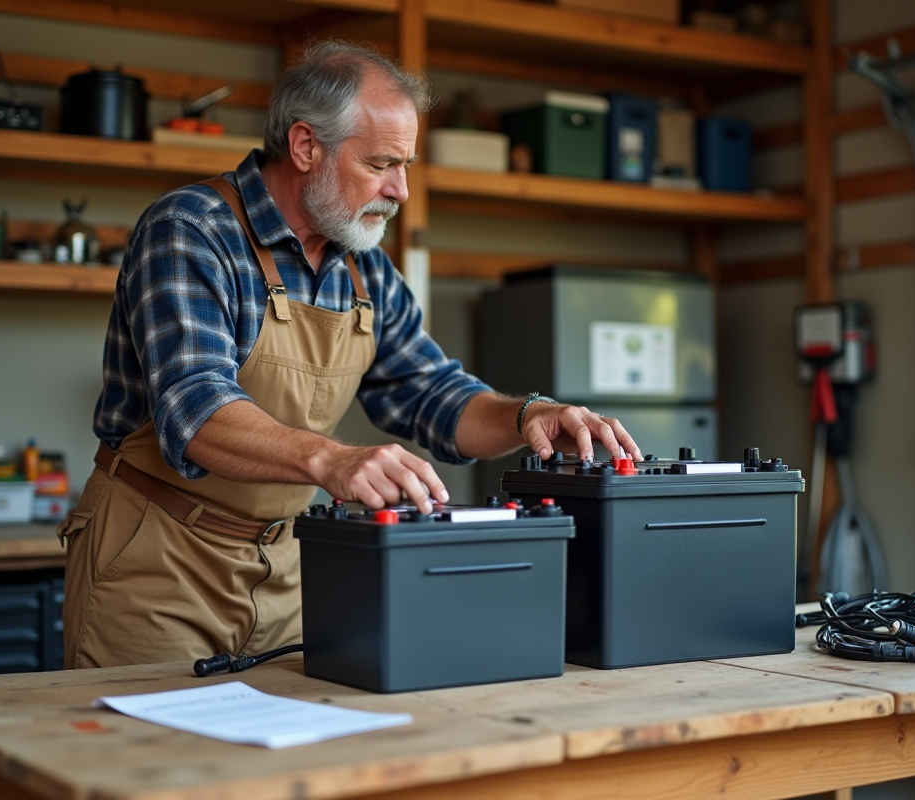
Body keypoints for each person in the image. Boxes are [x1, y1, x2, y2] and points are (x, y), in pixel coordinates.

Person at [58, 40, 641, 669]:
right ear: (306, 146)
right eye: (381, 164)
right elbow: (195, 410)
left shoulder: (366, 270)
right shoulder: (192, 230)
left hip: (287, 569)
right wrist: (333, 459)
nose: (402, 190)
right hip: (157, 563)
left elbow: (434, 395)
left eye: (406, 165)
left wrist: (528, 415)